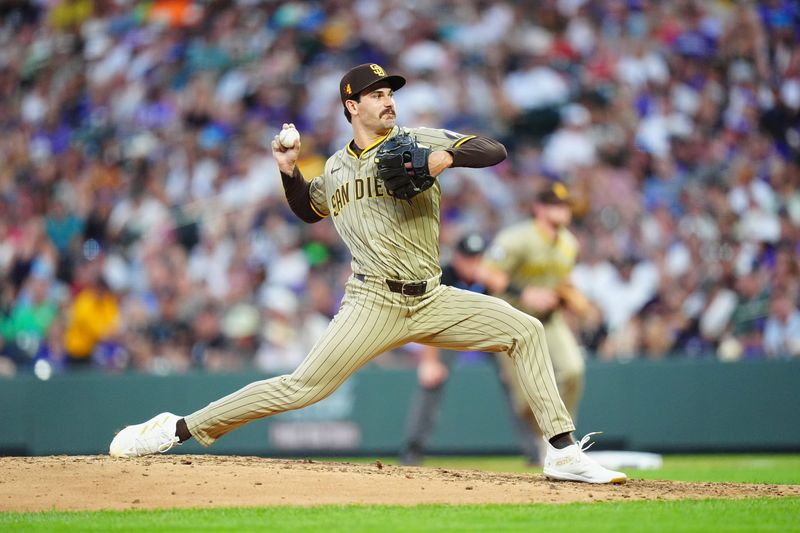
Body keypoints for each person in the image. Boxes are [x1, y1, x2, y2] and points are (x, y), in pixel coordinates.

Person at [109, 63, 626, 484]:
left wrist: (440, 158)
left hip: (432, 296)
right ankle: (175, 428)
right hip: (372, 302)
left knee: (525, 330)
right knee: (300, 388)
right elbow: (309, 210)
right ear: (352, 106)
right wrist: (289, 171)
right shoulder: (334, 167)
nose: (387, 100)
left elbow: (494, 150)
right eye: (376, 94)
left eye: (390, 92)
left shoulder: (414, 139)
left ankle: (560, 452)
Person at [399, 232, 541, 466]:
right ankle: (412, 452)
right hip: (447, 332)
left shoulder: (491, 278)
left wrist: (509, 360)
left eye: (477, 258)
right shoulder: (444, 275)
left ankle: (535, 451)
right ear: (457, 258)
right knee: (430, 382)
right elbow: (427, 320)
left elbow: (509, 312)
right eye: (467, 258)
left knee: (516, 385)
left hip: (487, 333)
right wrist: (429, 361)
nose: (472, 264)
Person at [479, 182, 591, 464]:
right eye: (555, 204)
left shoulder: (570, 244)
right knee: (524, 400)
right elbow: (486, 272)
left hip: (549, 321)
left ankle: (563, 442)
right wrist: (524, 292)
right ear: (538, 208)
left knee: (573, 370)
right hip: (512, 321)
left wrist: (571, 296)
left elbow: (562, 281)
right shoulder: (517, 238)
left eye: (565, 205)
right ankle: (549, 440)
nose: (562, 211)